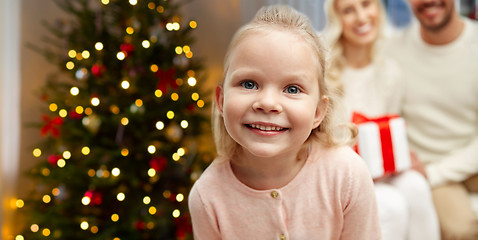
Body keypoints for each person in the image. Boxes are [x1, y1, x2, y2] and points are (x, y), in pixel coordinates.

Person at [188, 4, 381, 239]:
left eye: (292, 88)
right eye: (249, 84)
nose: (268, 103)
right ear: (221, 100)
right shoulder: (206, 196)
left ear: (318, 112)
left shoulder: (347, 175)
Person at [322, 0, 441, 239]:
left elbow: (388, 132)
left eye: (366, 4)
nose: (361, 17)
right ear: (337, 20)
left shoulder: (390, 73)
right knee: (392, 203)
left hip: (382, 170)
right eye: (348, 10)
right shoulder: (325, 75)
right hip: (341, 175)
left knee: (416, 185)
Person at [388, 0, 478, 239]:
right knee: (461, 231)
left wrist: (439, 171)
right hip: (430, 166)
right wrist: (430, 173)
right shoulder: (394, 51)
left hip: (470, 159)